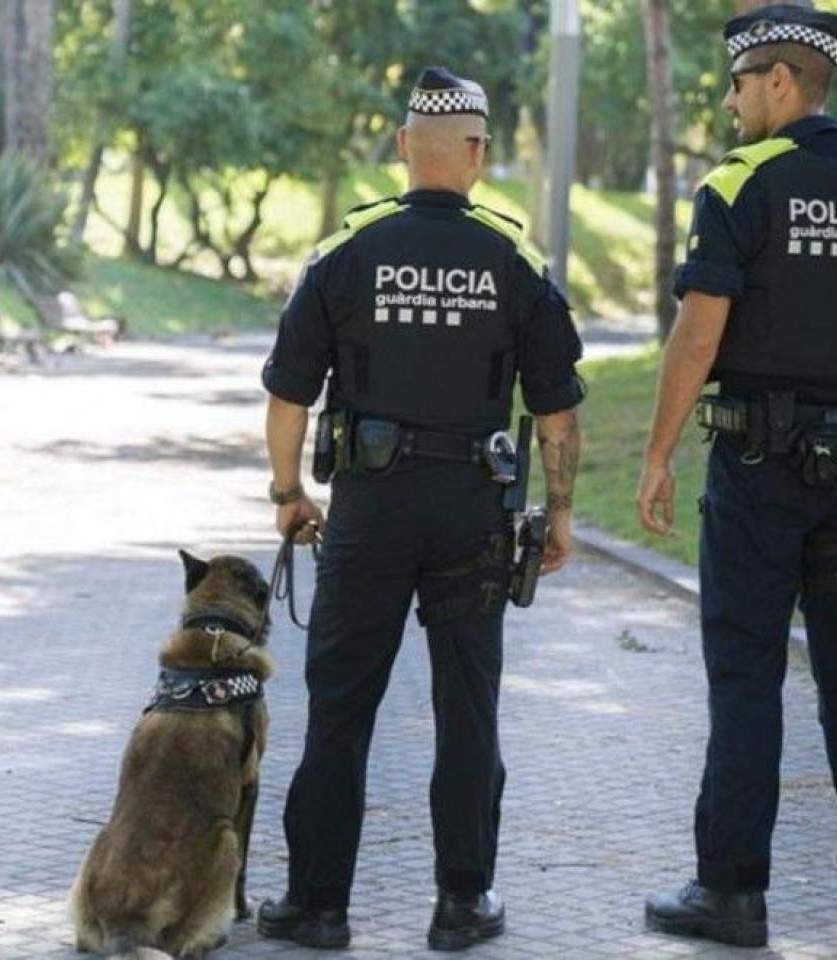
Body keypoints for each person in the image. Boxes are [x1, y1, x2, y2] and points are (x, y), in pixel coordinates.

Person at [256, 66, 586, 953]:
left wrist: (289, 495)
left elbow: (288, 396)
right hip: (474, 512)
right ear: (477, 151)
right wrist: (559, 514)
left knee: (341, 708)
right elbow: (557, 412)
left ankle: (319, 906)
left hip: (369, 508)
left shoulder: (345, 253)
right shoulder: (516, 262)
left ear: (405, 147)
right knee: (467, 711)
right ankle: (462, 904)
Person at [634, 5, 837, 949]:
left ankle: (732, 893)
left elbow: (699, 334)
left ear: (778, 82)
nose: (730, 105)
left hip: (758, 475)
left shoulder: (740, 186)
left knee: (746, 673)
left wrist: (657, 452)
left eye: (738, 85)